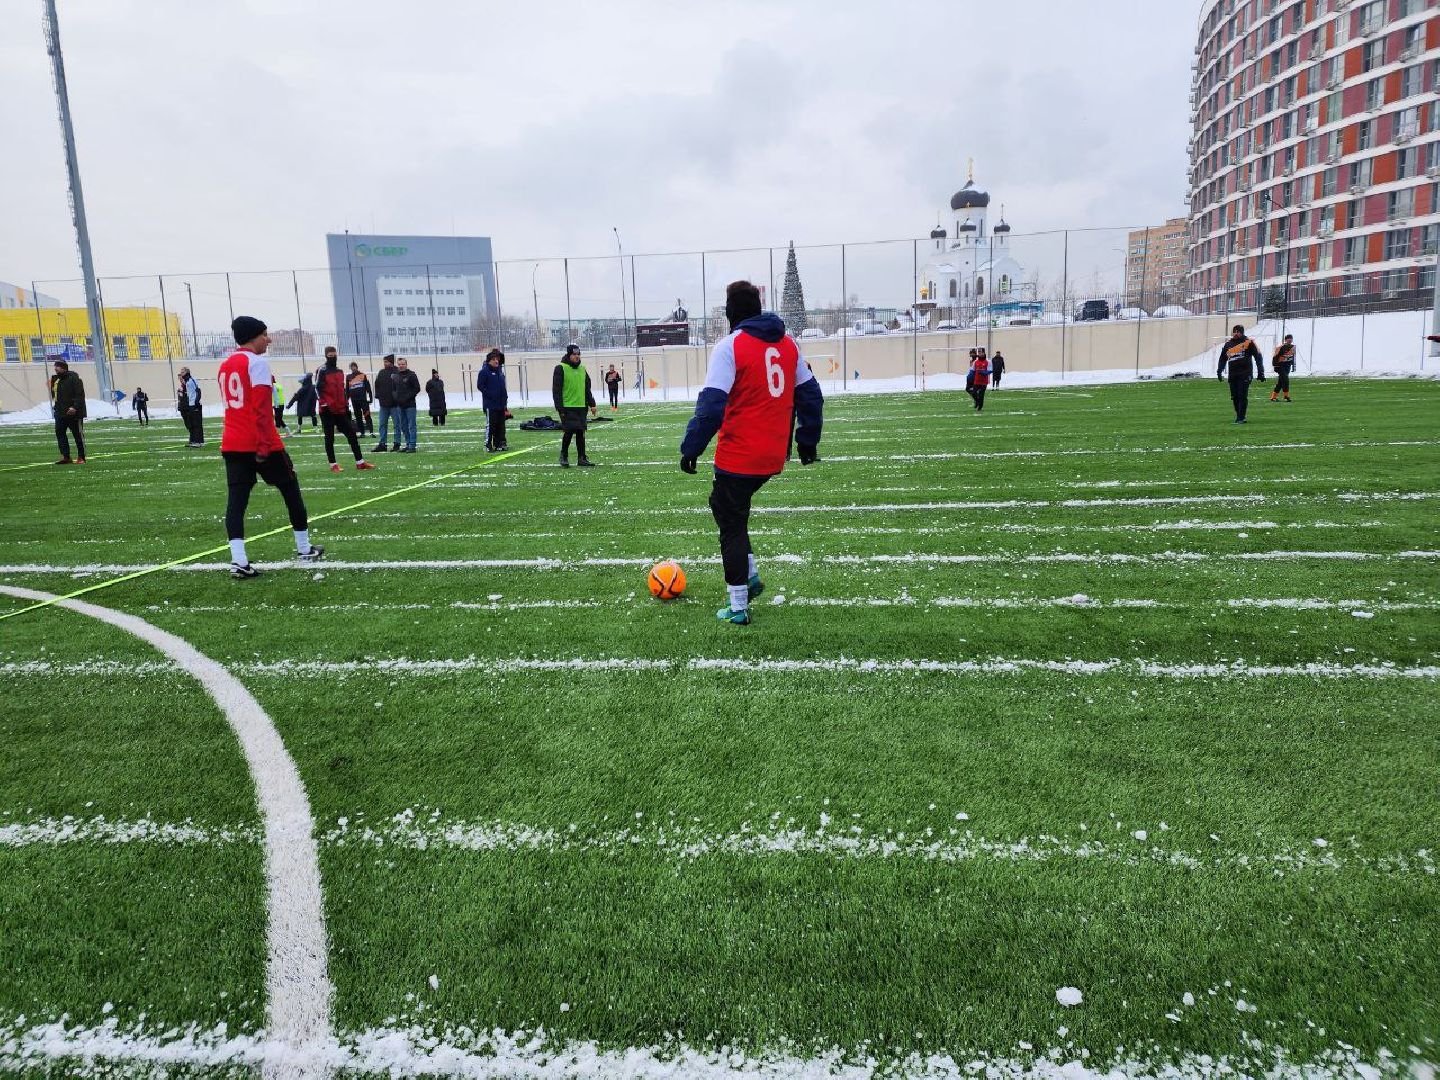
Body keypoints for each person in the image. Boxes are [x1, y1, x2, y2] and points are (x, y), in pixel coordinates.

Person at [680, 280, 824, 626]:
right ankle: (752, 574)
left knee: (729, 522)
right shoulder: (789, 343)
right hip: (774, 454)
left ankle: (739, 603)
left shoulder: (730, 346)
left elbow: (712, 406)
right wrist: (807, 442)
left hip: (739, 454)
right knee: (729, 511)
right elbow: (812, 396)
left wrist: (691, 447)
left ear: (731, 312)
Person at [217, 316, 324, 579]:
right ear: (253, 336)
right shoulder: (257, 363)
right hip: (259, 440)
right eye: (265, 334)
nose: (269, 339)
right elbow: (262, 410)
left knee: (236, 502)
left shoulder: (225, 364)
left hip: (232, 441)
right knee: (290, 489)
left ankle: (238, 560)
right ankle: (303, 548)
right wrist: (265, 444)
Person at [315, 347, 375, 473]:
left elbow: (342, 390)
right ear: (326, 356)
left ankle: (360, 462)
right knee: (329, 437)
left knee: (352, 434)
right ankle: (333, 465)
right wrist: (324, 404)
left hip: (340, 410)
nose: (333, 357)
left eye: (334, 355)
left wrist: (345, 405)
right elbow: (317, 388)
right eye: (330, 355)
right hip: (327, 411)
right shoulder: (322, 370)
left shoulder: (340, 371)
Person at [552, 344, 597, 467]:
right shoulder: (560, 368)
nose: (577, 357)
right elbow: (556, 390)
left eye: (578, 354)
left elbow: (587, 389)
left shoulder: (582, 369)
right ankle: (564, 455)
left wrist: (592, 404)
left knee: (581, 432)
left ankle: (581, 458)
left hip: (581, 407)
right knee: (569, 431)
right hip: (567, 407)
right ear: (568, 355)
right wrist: (559, 408)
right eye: (574, 354)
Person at [1217, 323, 1266, 424]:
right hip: (1233, 374)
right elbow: (1222, 359)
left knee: (1242, 395)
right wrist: (1219, 371)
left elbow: (1258, 356)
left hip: (1245, 373)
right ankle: (1239, 415)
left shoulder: (1249, 342)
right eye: (1234, 331)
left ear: (1242, 332)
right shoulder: (1228, 344)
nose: (1235, 333)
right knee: (1234, 397)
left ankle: (1241, 418)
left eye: (1238, 332)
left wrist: (1261, 372)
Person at [50, 359, 87, 465]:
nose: (55, 368)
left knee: (77, 435)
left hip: (73, 413)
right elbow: (55, 396)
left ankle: (81, 457)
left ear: (64, 368)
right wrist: (56, 407)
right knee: (60, 433)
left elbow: (80, 395)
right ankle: (66, 456)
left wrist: (74, 407)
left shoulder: (74, 378)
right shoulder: (55, 380)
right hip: (60, 412)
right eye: (55, 366)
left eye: (58, 366)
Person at [477, 348, 509, 451]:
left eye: (497, 359)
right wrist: (490, 395)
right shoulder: (484, 372)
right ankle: (487, 445)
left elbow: (502, 387)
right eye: (494, 359)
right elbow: (480, 386)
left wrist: (505, 398)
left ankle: (499, 444)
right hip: (490, 404)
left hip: (500, 404)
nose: (496, 361)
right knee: (491, 425)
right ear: (489, 360)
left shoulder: (499, 372)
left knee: (500, 425)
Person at [393, 357, 421, 452]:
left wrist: (407, 398)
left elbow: (417, 388)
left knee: (411, 425)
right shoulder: (395, 376)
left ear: (406, 364)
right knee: (403, 426)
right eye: (399, 364)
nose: (401, 366)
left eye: (403, 364)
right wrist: (396, 398)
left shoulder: (412, 375)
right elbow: (394, 389)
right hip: (400, 405)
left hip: (410, 405)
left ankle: (412, 445)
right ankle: (408, 443)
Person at [372, 354, 399, 452]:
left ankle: (397, 443)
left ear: (391, 362)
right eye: (384, 361)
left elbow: (400, 386)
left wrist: (397, 398)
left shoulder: (397, 372)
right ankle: (382, 444)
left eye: (386, 361)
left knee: (397, 425)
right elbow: (377, 385)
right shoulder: (381, 372)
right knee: (382, 425)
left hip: (395, 405)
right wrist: (378, 396)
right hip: (383, 405)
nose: (385, 363)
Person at [178, 366, 204, 447]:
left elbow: (198, 391)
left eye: (182, 372)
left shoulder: (191, 380)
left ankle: (198, 442)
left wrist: (196, 402)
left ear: (187, 372)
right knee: (192, 423)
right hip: (190, 405)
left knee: (197, 423)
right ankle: (195, 441)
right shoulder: (187, 382)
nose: (181, 373)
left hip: (195, 405)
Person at [347, 362, 373, 435]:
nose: (353, 368)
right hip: (354, 400)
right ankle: (362, 433)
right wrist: (347, 400)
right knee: (358, 417)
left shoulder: (363, 375)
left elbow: (368, 387)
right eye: (351, 367)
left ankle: (371, 432)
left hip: (363, 399)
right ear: (350, 368)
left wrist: (370, 398)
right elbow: (348, 390)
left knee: (367, 415)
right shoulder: (348, 377)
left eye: (354, 366)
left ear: (356, 367)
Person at [1271, 334, 1297, 403]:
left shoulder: (1293, 347)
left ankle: (1273, 397)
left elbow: (1293, 357)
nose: (1290, 340)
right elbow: (1275, 357)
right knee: (1285, 380)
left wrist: (1294, 366)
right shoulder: (1280, 347)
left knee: (1280, 382)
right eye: (1288, 338)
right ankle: (1286, 396)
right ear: (1285, 340)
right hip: (1281, 366)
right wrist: (1275, 366)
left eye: (1291, 338)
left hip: (1287, 366)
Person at [969, 348, 991, 412]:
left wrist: (983, 372)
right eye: (979, 353)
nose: (980, 354)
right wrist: (969, 376)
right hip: (976, 381)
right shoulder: (976, 362)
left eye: (981, 352)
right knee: (973, 393)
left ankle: (980, 407)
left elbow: (990, 370)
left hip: (984, 382)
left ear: (984, 353)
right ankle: (978, 402)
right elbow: (972, 370)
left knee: (981, 394)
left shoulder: (988, 362)